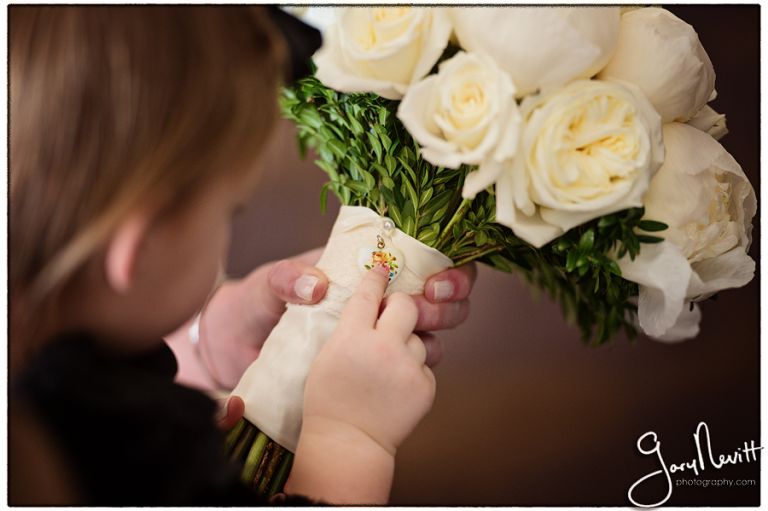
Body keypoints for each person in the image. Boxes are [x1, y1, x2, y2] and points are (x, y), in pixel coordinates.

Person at [9, 6, 475, 505]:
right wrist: (350, 439)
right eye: (230, 212)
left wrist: (205, 343)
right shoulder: (70, 467)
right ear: (139, 248)